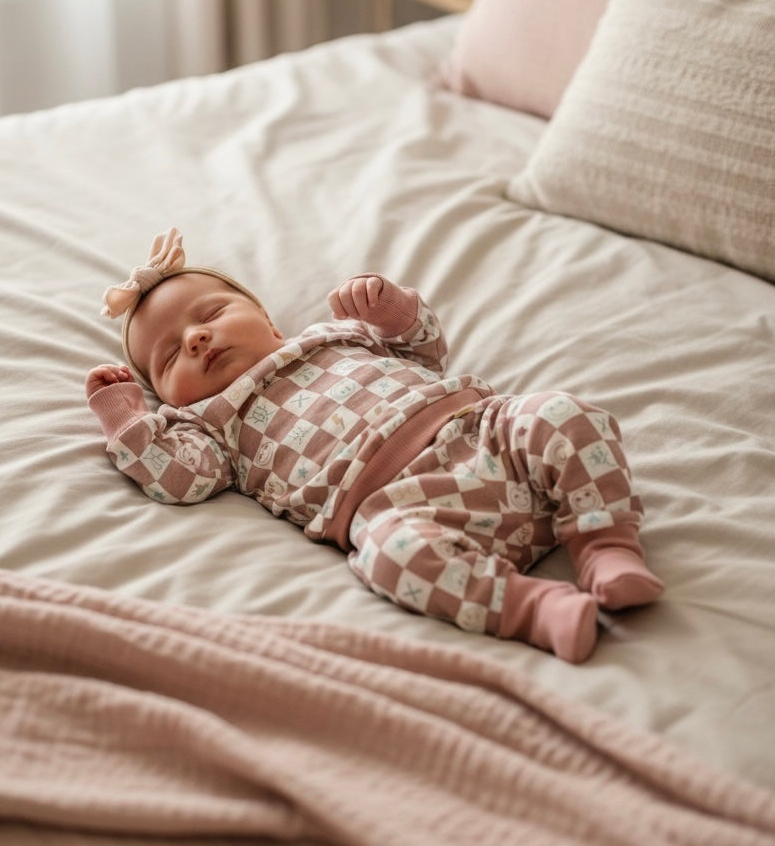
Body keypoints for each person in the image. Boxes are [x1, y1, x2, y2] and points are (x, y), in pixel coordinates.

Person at [87, 228, 663, 663]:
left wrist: (392, 310)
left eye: (211, 314)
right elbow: (178, 478)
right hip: (401, 507)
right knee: (389, 557)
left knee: (558, 412)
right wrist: (127, 421)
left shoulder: (333, 334)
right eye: (168, 357)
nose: (195, 338)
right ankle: (533, 608)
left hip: (480, 431)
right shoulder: (211, 427)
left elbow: (425, 350)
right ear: (169, 400)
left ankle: (604, 544)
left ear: (269, 320)